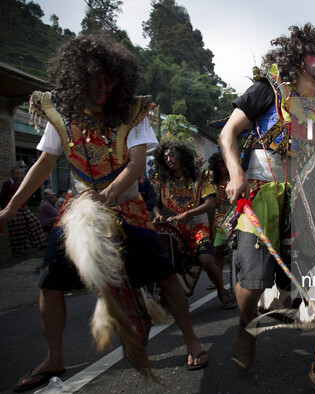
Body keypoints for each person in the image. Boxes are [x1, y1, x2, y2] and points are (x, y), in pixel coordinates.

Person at [0, 33, 207, 392]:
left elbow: (137, 164)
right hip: (78, 211)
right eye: (93, 81)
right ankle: (54, 357)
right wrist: (7, 210)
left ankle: (192, 341)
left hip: (128, 207)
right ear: (76, 80)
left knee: (164, 273)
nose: (102, 89)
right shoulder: (58, 113)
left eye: (109, 81)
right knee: (49, 280)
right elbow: (44, 164)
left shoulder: (133, 112)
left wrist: (108, 195)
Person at [219, 23, 315, 393]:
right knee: (254, 279)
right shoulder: (267, 90)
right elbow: (228, 133)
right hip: (263, 191)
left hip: (312, 195)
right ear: (297, 56)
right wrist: (236, 174)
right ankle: (245, 324)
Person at [152, 141, 235, 309]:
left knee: (206, 259)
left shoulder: (201, 177)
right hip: (175, 230)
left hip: (199, 226)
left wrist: (187, 214)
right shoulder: (163, 181)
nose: (169, 159)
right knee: (170, 264)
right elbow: (157, 206)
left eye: (172, 155)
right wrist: (158, 216)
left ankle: (221, 291)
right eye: (165, 157)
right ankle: (177, 297)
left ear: (182, 155)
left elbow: (210, 204)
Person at [0, 166, 46, 257]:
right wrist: (6, 210)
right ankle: (18, 251)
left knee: (34, 222)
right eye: (16, 173)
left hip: (23, 207)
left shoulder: (21, 183)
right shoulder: (8, 183)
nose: (18, 175)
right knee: (18, 229)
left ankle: (40, 243)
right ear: (12, 174)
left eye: (20, 173)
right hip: (13, 208)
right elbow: (2, 197)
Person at [207, 152, 231, 290]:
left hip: (237, 218)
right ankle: (218, 280)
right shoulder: (212, 182)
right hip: (219, 221)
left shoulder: (236, 177)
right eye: (219, 164)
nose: (222, 167)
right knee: (217, 251)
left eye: (225, 163)